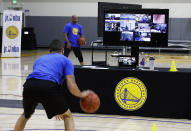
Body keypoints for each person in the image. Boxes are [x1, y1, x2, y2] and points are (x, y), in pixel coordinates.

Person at [14, 39, 89, 131]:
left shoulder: (39, 59)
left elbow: (39, 81)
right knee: (67, 116)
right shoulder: (66, 60)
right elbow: (71, 84)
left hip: (29, 85)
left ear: (49, 51)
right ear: (62, 50)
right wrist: (82, 95)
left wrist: (56, 108)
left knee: (25, 115)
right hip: (47, 86)